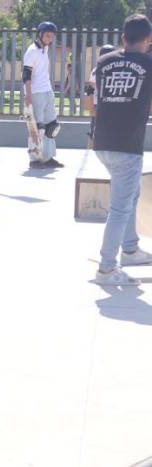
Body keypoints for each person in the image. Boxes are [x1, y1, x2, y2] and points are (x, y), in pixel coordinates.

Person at [92, 14, 152, 285]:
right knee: (120, 207)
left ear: (123, 38)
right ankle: (107, 268)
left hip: (102, 142)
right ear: (148, 40)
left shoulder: (104, 62)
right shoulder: (148, 65)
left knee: (131, 194)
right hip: (127, 145)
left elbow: (96, 98)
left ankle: (129, 248)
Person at [22, 21, 64, 169]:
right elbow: (26, 75)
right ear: (40, 34)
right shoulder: (32, 51)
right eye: (47, 35)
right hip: (36, 92)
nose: (50, 39)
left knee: (51, 126)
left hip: (47, 91)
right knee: (37, 128)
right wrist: (28, 95)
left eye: (52, 36)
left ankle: (48, 157)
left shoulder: (44, 50)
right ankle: (34, 159)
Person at [84, 44, 117, 148]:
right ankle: (91, 152)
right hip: (101, 106)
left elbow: (90, 91)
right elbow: (90, 90)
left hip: (108, 105)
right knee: (95, 132)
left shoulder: (113, 69)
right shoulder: (98, 70)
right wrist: (91, 109)